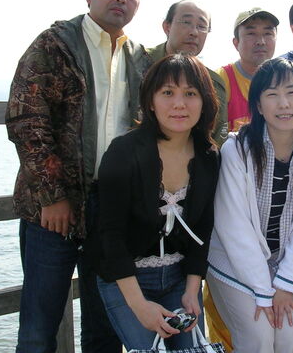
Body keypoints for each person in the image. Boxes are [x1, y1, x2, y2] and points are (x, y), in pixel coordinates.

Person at [6, 0, 149, 353]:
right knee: (39, 327)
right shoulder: (55, 44)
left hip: (112, 210)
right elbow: (26, 120)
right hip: (54, 210)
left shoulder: (139, 58)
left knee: (106, 327)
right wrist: (53, 196)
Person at [93, 54, 220, 350]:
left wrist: (192, 289)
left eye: (191, 93)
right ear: (150, 101)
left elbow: (203, 228)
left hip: (179, 278)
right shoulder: (124, 152)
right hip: (126, 278)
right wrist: (140, 306)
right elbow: (110, 235)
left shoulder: (208, 155)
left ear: (204, 102)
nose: (179, 104)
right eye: (168, 93)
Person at [207, 57, 293, 353]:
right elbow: (233, 228)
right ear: (259, 106)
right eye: (272, 94)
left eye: (292, 92)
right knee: (259, 337)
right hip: (232, 261)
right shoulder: (237, 149)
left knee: (290, 340)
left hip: (281, 263)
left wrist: (285, 285)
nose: (284, 103)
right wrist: (265, 291)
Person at [147, 0, 227, 145]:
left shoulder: (213, 83)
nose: (194, 32)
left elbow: (214, 140)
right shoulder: (139, 62)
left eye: (202, 26)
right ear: (167, 27)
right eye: (186, 22)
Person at [219, 7, 279, 131]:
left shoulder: (287, 79)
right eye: (251, 34)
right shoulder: (221, 80)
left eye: (268, 34)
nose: (261, 42)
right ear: (236, 43)